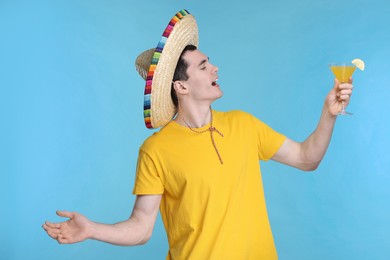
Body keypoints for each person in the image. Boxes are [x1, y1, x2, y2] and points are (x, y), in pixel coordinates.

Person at [42, 9, 353, 259]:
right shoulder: (156, 150)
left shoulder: (244, 124)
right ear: (182, 86)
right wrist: (92, 229)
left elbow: (306, 158)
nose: (215, 68)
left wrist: (328, 114)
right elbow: (141, 228)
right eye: (204, 66)